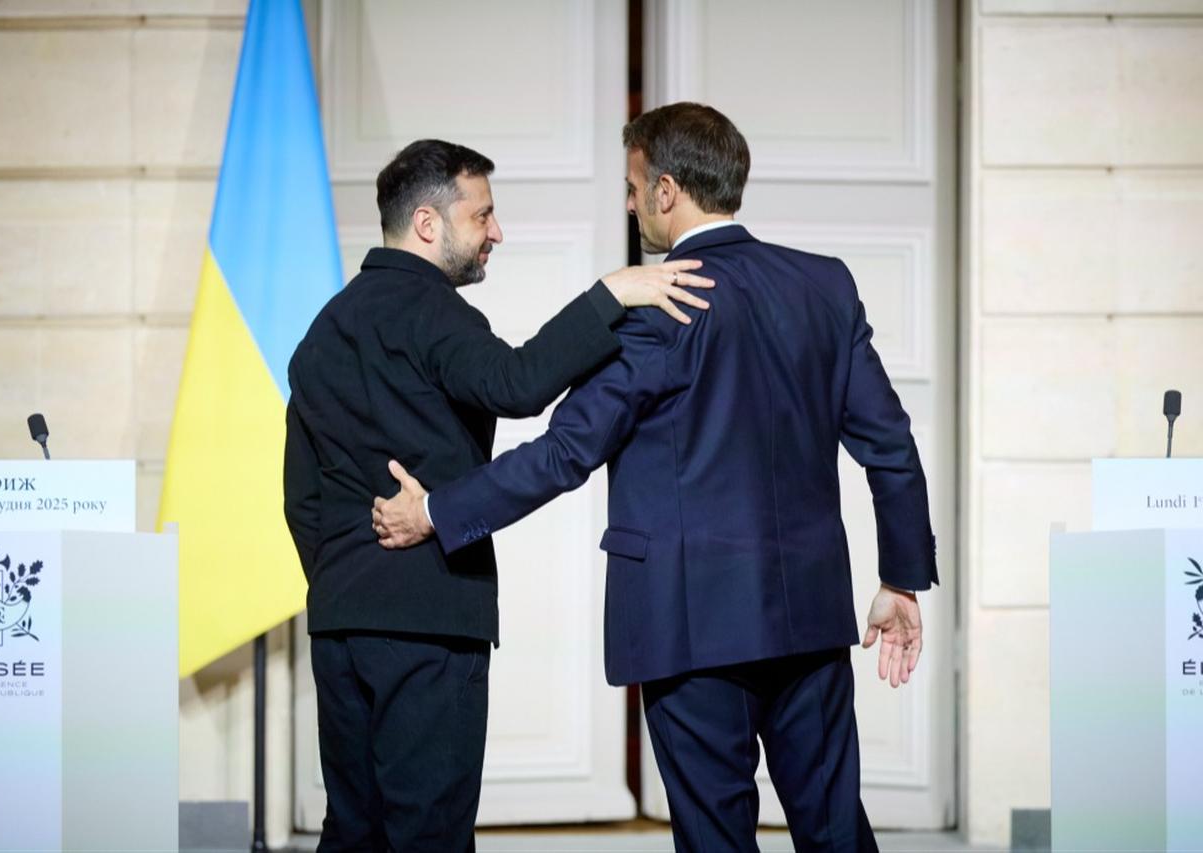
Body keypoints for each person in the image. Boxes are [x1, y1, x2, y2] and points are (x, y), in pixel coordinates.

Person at [372, 105, 939, 853]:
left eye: (635, 187)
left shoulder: (660, 304)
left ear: (668, 189)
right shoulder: (823, 287)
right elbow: (891, 446)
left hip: (688, 624)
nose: (630, 203)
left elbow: (563, 453)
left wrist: (438, 511)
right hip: (808, 618)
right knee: (835, 831)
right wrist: (900, 580)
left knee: (715, 838)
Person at [283, 137, 712, 852]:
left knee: (353, 829)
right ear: (428, 224)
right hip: (431, 621)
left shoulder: (323, 331)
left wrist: (341, 583)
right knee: (432, 833)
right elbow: (516, 384)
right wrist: (611, 294)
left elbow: (299, 494)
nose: (496, 233)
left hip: (339, 626)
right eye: (482, 216)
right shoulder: (431, 311)